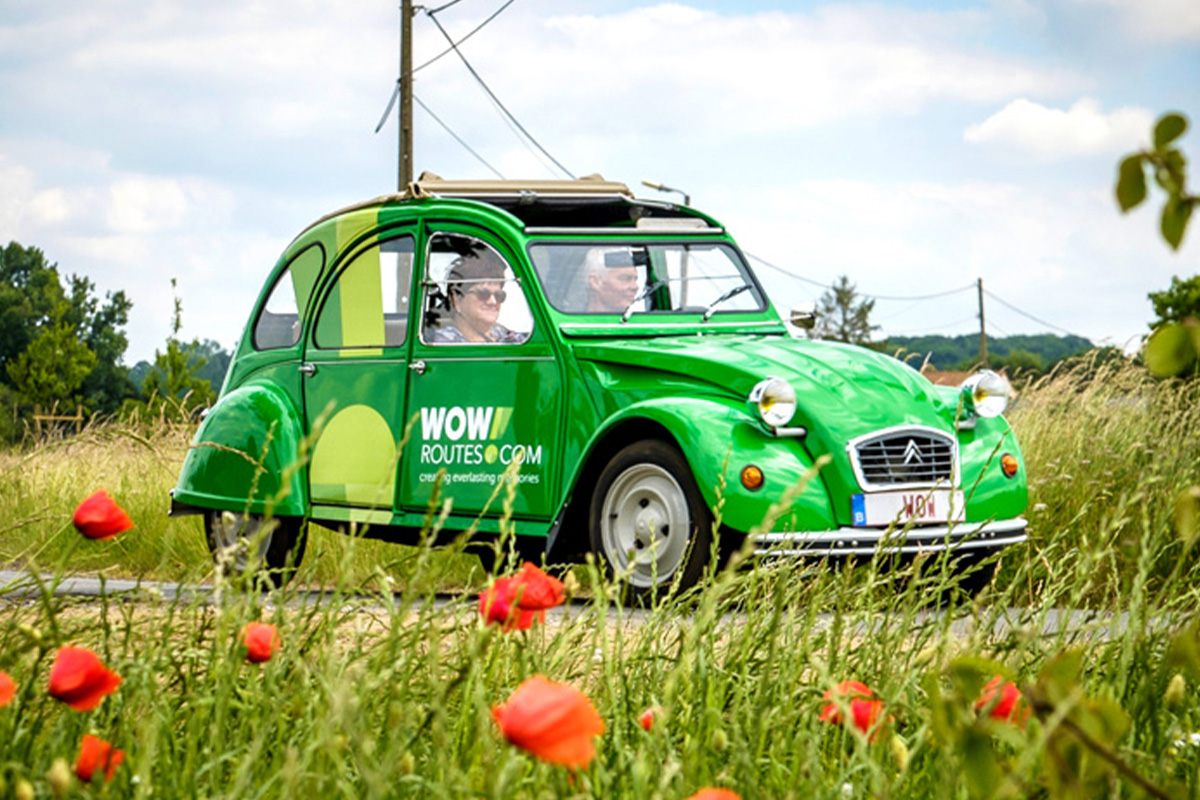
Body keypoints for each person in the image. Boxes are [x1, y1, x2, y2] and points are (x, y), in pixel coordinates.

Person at [429, 251, 528, 344]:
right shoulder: (442, 343)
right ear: (457, 300)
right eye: (483, 294)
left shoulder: (507, 336)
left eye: (499, 296)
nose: (493, 302)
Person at [583, 248, 641, 313]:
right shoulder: (573, 322)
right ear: (595, 282)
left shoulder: (643, 321)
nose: (635, 287)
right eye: (625, 279)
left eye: (635, 280)